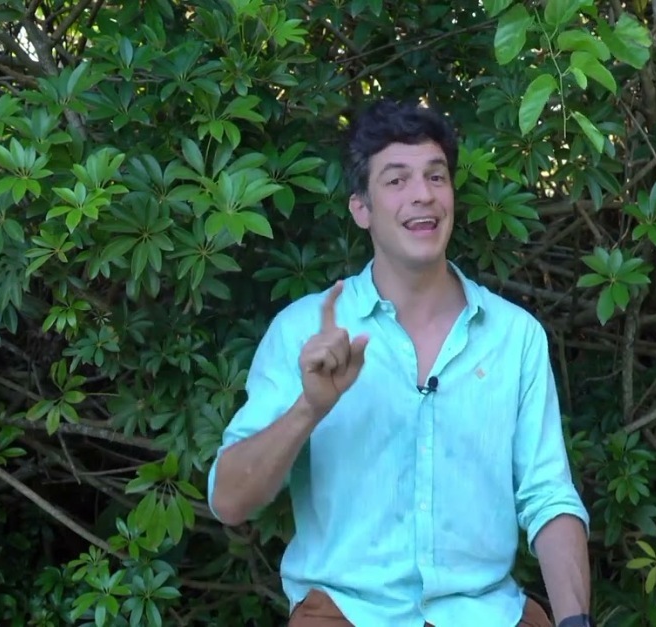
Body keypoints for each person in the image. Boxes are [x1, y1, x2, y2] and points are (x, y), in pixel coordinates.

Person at [207, 99, 593, 627]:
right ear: (360, 208)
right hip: (345, 613)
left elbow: (549, 496)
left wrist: (574, 622)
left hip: (487, 613)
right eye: (396, 180)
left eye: (436, 176)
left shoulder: (515, 336)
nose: (422, 194)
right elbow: (230, 502)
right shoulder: (303, 332)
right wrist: (308, 409)